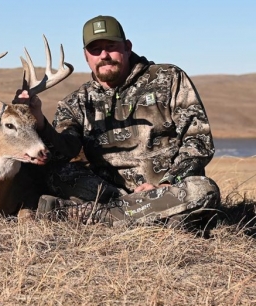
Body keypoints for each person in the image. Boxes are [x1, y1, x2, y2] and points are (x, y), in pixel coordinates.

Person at [16, 15, 220, 228]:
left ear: (127, 47)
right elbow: (63, 152)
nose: (104, 55)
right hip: (109, 193)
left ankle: (94, 215)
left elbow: (198, 141)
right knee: (57, 173)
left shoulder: (169, 78)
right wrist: (38, 119)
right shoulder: (76, 102)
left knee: (203, 190)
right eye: (95, 50)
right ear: (86, 56)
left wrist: (167, 183)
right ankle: (148, 217)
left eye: (111, 47)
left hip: (165, 191)